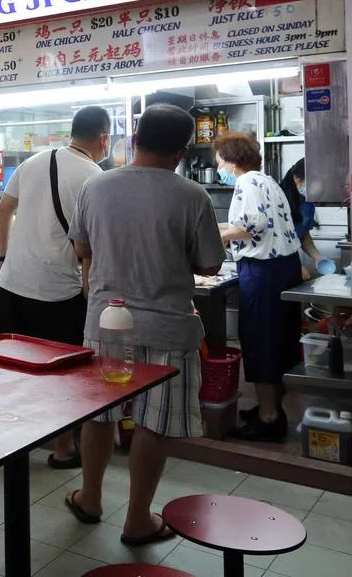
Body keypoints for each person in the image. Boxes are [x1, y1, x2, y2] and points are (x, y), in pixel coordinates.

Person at [65, 104, 225, 546]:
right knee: (154, 424)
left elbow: (82, 246)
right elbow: (211, 261)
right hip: (169, 329)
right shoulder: (192, 195)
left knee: (99, 417)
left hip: (105, 323)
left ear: (133, 139)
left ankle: (91, 498)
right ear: (181, 151)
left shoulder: (95, 187)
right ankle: (138, 519)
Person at [0, 105, 111, 469]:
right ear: (103, 138)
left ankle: (13, 440)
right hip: (59, 292)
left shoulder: (32, 162)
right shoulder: (94, 176)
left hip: (13, 284)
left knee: (13, 368)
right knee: (61, 373)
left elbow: (2, 211)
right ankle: (63, 448)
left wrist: (4, 257)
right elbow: (87, 244)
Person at [215, 133, 302, 442]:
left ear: (231, 159)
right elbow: (253, 223)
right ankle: (272, 408)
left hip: (263, 272)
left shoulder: (246, 183)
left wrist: (216, 238)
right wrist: (218, 227)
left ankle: (268, 419)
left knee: (260, 342)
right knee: (278, 342)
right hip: (283, 268)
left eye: (219, 160)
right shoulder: (265, 181)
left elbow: (252, 226)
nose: (218, 166)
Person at [280, 158, 328, 275]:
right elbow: (275, 241)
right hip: (277, 265)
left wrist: (318, 256)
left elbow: (303, 235)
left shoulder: (308, 203)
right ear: (297, 178)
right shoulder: (279, 201)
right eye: (311, 187)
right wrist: (295, 266)